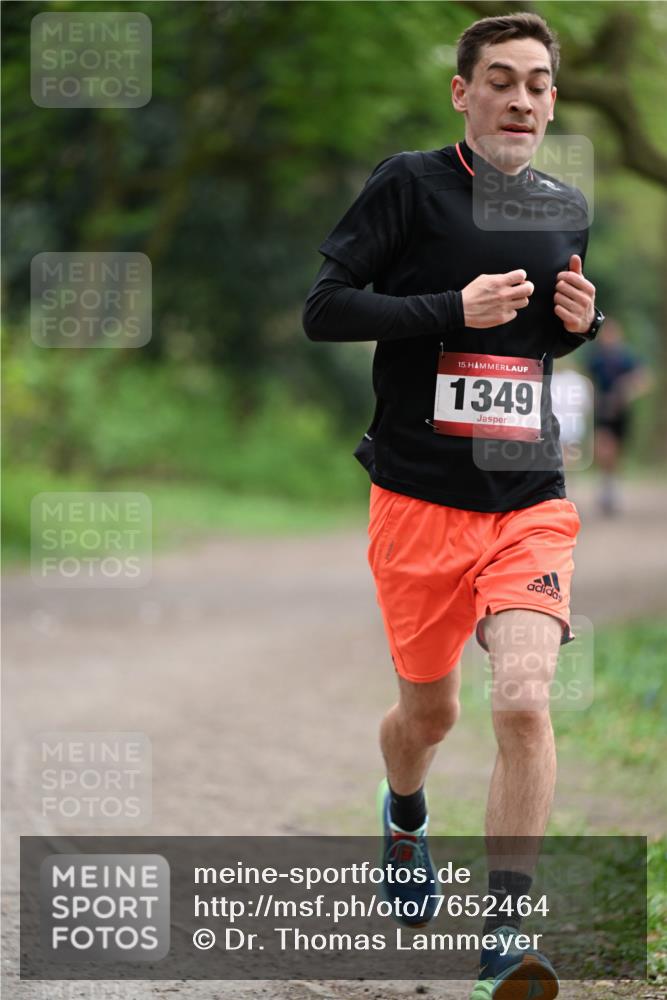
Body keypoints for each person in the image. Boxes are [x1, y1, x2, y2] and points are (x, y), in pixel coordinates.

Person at [303, 13, 603, 999]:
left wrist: (578, 325)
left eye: (538, 84)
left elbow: (530, 349)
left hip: (527, 497)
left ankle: (503, 933)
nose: (522, 99)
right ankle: (403, 810)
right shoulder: (409, 184)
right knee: (425, 717)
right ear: (461, 92)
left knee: (522, 698)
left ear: (553, 100)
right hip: (418, 500)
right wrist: (444, 310)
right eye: (502, 80)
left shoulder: (564, 203)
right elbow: (326, 307)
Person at [586, 318, 653, 515]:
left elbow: (643, 378)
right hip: (603, 408)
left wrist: (626, 390)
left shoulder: (625, 356)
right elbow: (588, 378)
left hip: (621, 411)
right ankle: (606, 487)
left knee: (617, 451)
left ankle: (611, 486)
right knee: (604, 447)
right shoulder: (596, 357)